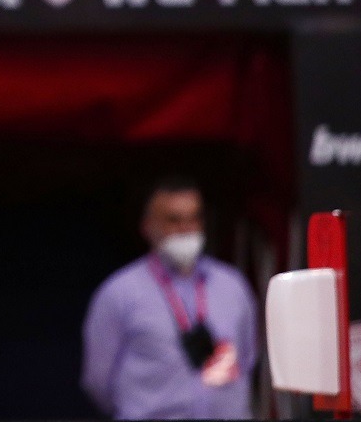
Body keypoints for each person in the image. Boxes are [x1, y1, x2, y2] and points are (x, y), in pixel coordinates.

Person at [81, 178, 258, 419]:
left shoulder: (233, 285)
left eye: (194, 218)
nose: (186, 228)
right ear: (147, 226)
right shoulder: (119, 292)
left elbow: (248, 357)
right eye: (173, 220)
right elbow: (98, 381)